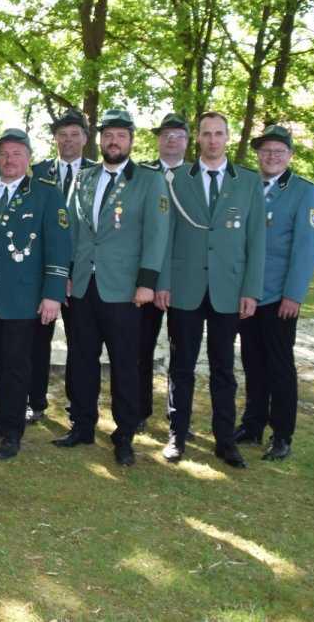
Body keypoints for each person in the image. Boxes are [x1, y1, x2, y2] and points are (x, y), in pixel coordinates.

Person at [52, 110, 169, 466]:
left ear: (131, 140)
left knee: (125, 364)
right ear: (99, 140)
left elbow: (157, 234)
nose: (113, 141)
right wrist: (68, 272)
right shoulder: (85, 178)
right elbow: (71, 229)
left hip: (125, 290)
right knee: (82, 359)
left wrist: (147, 282)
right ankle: (82, 425)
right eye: (108, 135)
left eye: (120, 135)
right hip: (84, 286)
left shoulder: (149, 180)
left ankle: (124, 435)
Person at [157, 111, 265, 469]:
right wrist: (163, 284)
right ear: (197, 139)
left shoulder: (248, 182)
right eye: (206, 134)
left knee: (223, 369)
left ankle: (224, 441)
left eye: (219, 134)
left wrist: (251, 290)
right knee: (181, 365)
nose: (213, 140)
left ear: (227, 138)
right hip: (185, 288)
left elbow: (256, 241)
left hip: (228, 290)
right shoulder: (175, 180)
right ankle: (177, 436)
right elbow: (165, 237)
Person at [0, 128, 69, 460]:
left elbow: (59, 246)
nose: (9, 160)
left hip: (25, 297)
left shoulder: (46, 194)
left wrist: (52, 294)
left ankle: (12, 432)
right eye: (4, 154)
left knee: (17, 365)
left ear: (29, 158)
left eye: (17, 154)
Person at [237, 125, 314, 461]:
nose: (271, 157)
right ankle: (252, 424)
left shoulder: (304, 192)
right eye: (265, 151)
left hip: (279, 298)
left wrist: (294, 295)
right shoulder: (247, 187)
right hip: (248, 295)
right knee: (252, 363)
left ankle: (282, 434)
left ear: (289, 156)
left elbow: (306, 249)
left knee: (279, 367)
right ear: (258, 155)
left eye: (278, 151)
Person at [29, 108, 98, 424]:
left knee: (81, 344)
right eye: (62, 135)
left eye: (75, 135)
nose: (68, 141)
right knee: (37, 341)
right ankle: (35, 401)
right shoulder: (37, 172)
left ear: (85, 138)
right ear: (55, 138)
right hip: (42, 273)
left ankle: (78, 406)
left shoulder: (99, 175)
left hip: (82, 275)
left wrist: (70, 273)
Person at [136, 112, 189, 432]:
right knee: (140, 347)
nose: (171, 139)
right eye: (166, 134)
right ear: (158, 139)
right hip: (146, 277)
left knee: (181, 352)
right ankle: (140, 410)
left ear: (187, 140)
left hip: (185, 280)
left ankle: (177, 414)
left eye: (178, 135)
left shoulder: (198, 176)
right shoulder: (141, 175)